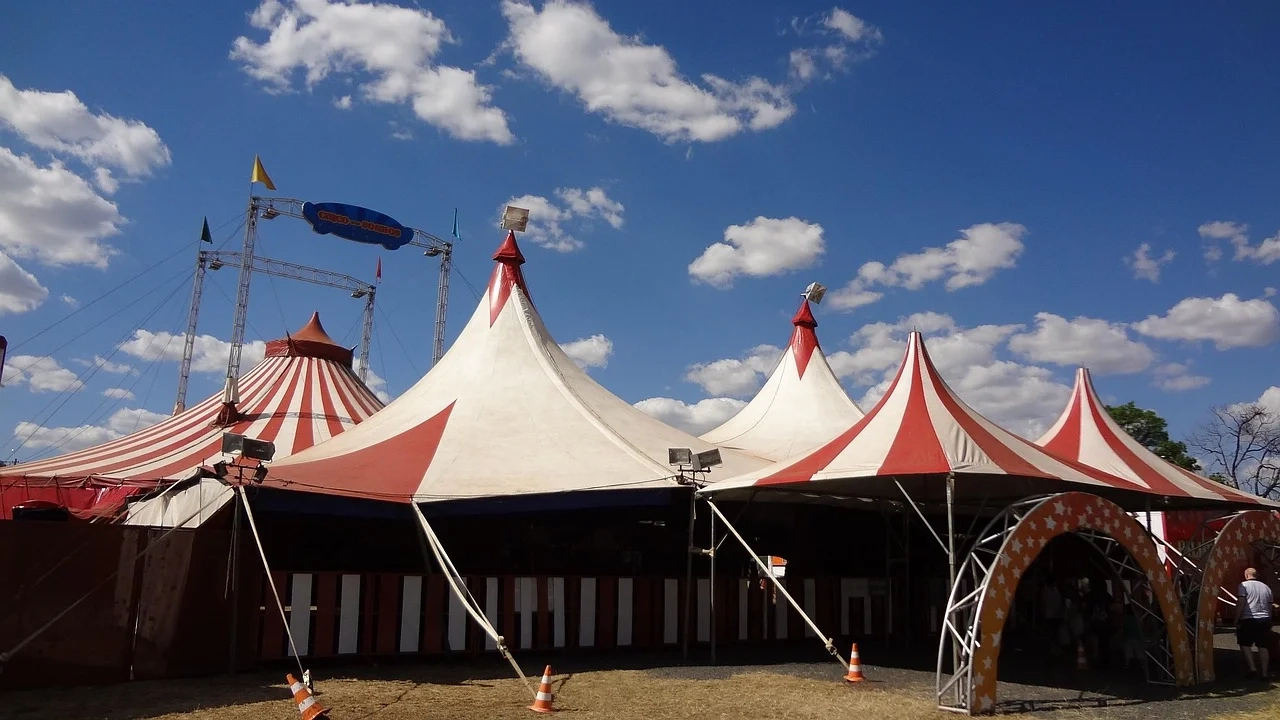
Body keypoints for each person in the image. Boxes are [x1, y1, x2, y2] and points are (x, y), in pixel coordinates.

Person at [1236, 567, 1275, 679]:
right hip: (1264, 619)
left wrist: (1237, 618)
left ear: (1246, 575)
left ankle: (1252, 668)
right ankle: (1264, 673)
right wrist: (1269, 618)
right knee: (1263, 646)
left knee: (1244, 644)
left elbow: (1241, 602)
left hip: (1248, 618)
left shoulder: (1243, 586)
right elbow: (1269, 605)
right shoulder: (1266, 588)